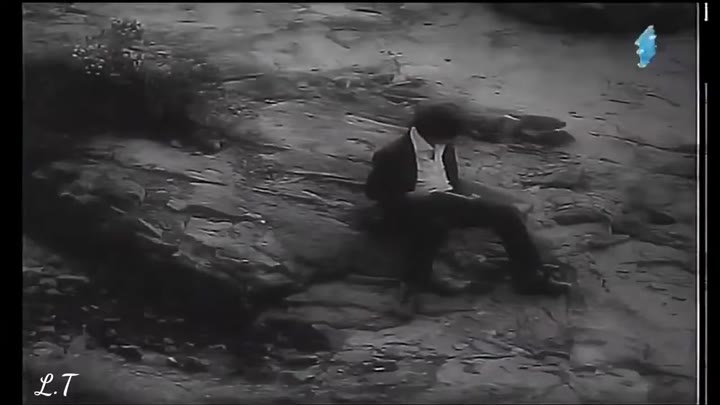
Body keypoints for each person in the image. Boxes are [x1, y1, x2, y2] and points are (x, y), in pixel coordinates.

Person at [364, 102, 570, 313]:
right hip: (410, 208)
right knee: (433, 224)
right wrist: (411, 196)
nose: (453, 141)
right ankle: (413, 285)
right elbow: (374, 192)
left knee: (506, 214)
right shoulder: (392, 154)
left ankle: (529, 277)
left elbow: (450, 179)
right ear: (433, 133)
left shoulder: (444, 145)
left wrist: (462, 197)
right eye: (450, 136)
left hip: (449, 200)